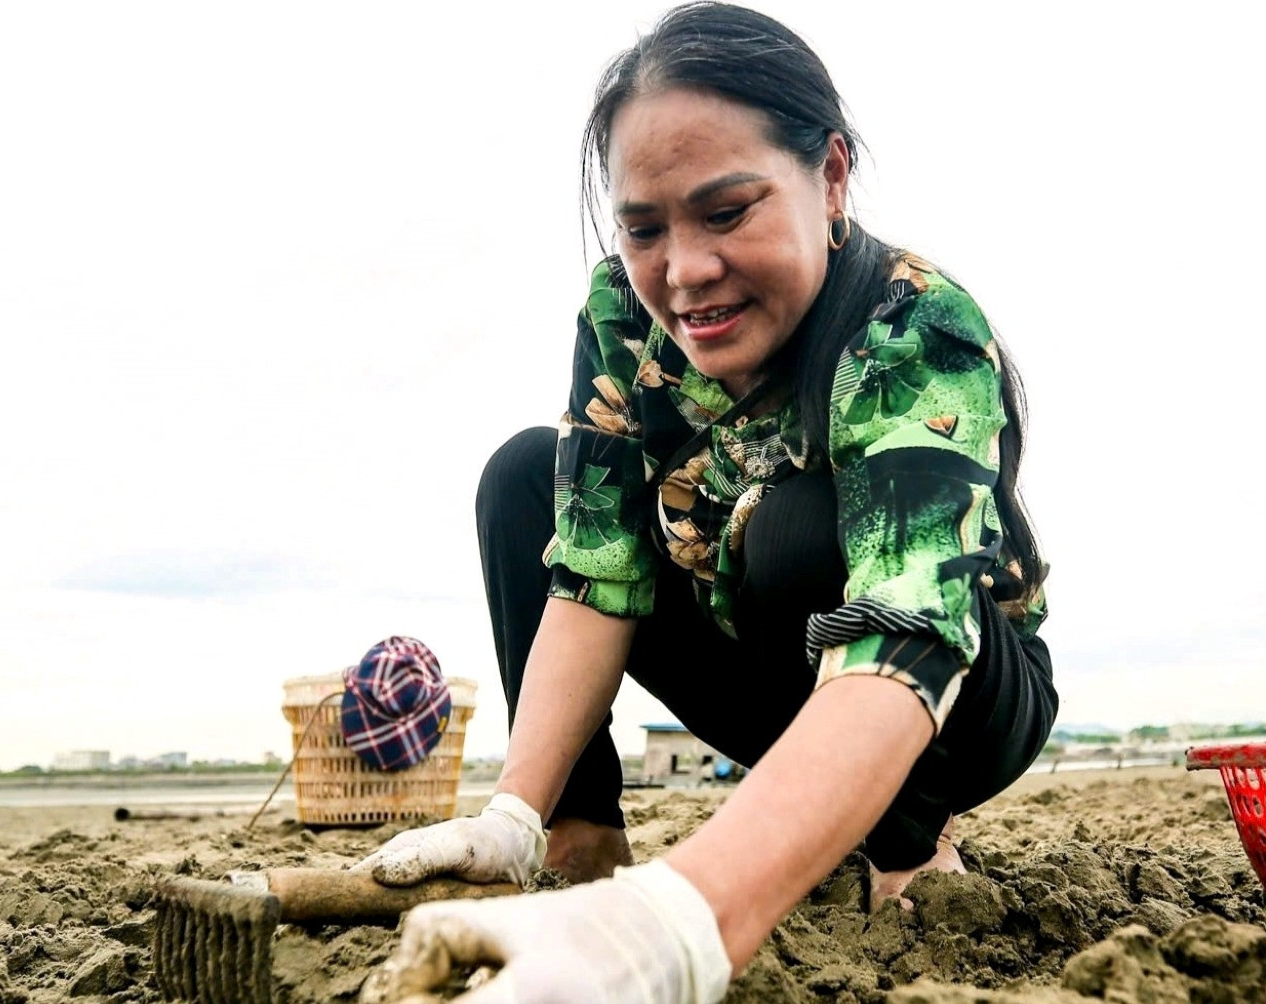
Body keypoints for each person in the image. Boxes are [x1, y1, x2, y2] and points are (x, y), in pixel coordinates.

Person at [352, 4, 1055, 1000]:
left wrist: (676, 924)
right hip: (765, 670)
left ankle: (906, 839)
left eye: (727, 213)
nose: (683, 272)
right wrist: (511, 810)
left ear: (831, 176)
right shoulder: (620, 316)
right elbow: (598, 574)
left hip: (958, 695)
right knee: (525, 477)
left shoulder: (911, 326)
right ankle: (572, 833)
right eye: (645, 229)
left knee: (798, 519)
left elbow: (912, 626)